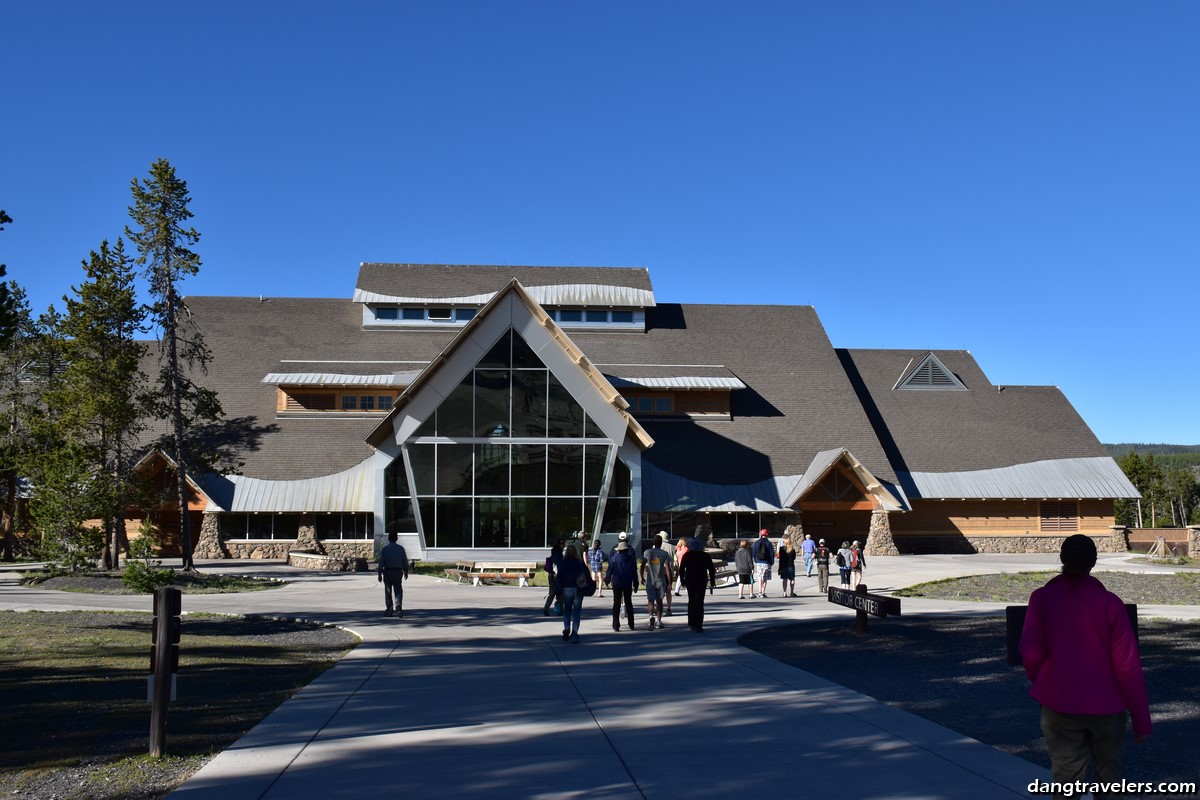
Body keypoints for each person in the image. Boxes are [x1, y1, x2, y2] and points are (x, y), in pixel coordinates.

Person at [1019, 534, 1151, 791]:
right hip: (1107, 706)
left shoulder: (1042, 598)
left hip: (1059, 703)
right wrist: (1141, 721)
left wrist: (1046, 681)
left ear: (1061, 559)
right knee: (1109, 777)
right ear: (1094, 563)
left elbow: (1031, 653)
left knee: (1066, 778)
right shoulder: (1110, 603)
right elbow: (1128, 666)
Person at [678, 538, 716, 632]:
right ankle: (699, 624)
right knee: (699, 602)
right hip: (701, 580)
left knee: (691, 601)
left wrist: (682, 580)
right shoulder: (705, 556)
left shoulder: (687, 555)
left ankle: (692, 623)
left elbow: (682, 569)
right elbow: (711, 569)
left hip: (690, 580)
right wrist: (712, 581)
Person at [555, 544, 588, 643]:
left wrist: (557, 591)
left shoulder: (563, 563)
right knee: (576, 612)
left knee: (567, 611)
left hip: (566, 589)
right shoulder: (579, 563)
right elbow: (587, 574)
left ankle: (567, 627)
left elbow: (559, 578)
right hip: (578, 589)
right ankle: (574, 634)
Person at [605, 537, 639, 631]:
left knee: (616, 603)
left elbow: (609, 571)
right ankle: (631, 623)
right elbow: (634, 572)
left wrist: (607, 580)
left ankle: (616, 624)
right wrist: (635, 583)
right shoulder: (630, 559)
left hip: (617, 583)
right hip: (627, 583)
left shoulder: (614, 559)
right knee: (629, 603)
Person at [641, 534, 673, 630]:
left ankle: (651, 616)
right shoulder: (664, 553)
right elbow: (668, 569)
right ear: (661, 543)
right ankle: (659, 621)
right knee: (659, 601)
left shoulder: (647, 552)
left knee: (650, 600)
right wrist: (670, 582)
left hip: (650, 580)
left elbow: (642, 565)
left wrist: (641, 577)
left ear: (653, 543)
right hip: (660, 580)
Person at [377, 531, 409, 617]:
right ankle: (398, 606)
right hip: (398, 571)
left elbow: (381, 562)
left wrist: (379, 573)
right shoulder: (401, 549)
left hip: (388, 572)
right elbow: (405, 561)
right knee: (398, 590)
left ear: (388, 538)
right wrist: (406, 571)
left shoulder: (385, 549)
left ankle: (389, 609)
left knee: (388, 591)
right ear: (397, 538)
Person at [543, 537, 565, 616]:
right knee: (561, 592)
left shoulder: (553, 552)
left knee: (552, 593)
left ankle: (546, 608)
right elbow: (557, 565)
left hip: (551, 575)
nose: (563, 545)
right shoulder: (558, 553)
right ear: (558, 544)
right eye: (562, 543)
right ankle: (561, 610)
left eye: (563, 543)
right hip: (556, 575)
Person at [655, 532, 675, 616]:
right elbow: (674, 559)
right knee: (668, 591)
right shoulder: (672, 547)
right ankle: (669, 608)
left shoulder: (656, 546)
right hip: (669, 571)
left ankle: (658, 608)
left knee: (658, 591)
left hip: (659, 571)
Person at [752, 528, 775, 598]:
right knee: (765, 578)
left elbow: (754, 552)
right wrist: (771, 562)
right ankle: (763, 592)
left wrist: (756, 560)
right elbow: (771, 554)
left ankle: (759, 592)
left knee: (760, 577)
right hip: (767, 562)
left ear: (760, 534)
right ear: (767, 534)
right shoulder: (769, 543)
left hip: (759, 562)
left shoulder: (756, 543)